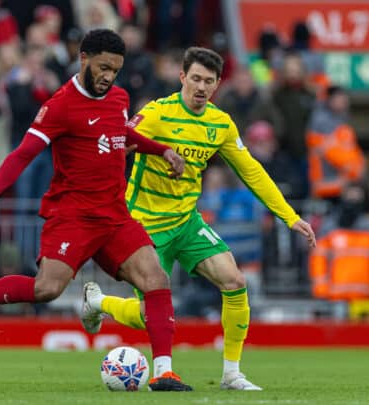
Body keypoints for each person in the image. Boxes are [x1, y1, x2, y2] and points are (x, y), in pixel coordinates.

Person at [0, 29, 192, 392]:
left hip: (113, 216)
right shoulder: (60, 105)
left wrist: (162, 150)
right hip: (73, 217)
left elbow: (120, 135)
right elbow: (23, 153)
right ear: (83, 59)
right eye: (104, 67)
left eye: (116, 69)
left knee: (156, 280)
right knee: (46, 289)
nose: (109, 76)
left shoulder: (119, 97)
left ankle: (164, 372)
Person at [80, 47, 316, 391]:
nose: (201, 87)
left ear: (218, 84)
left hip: (187, 222)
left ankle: (232, 374)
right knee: (151, 314)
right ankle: (99, 303)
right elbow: (119, 143)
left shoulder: (220, 124)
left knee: (234, 281)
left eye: (209, 81)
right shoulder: (157, 113)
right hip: (144, 225)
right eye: (195, 79)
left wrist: (289, 217)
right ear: (182, 78)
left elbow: (252, 171)